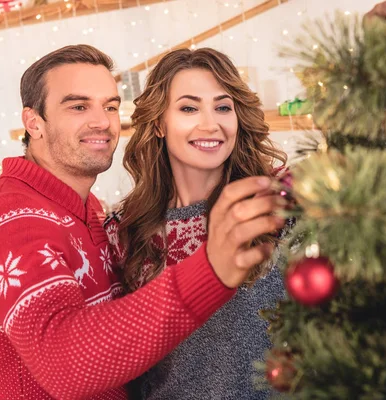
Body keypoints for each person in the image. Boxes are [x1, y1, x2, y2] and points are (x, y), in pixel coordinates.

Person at [0, 44, 285, 400]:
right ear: (33, 122)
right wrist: (210, 270)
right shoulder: (12, 221)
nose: (102, 121)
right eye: (79, 106)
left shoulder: (91, 215)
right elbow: (67, 363)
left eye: (111, 106)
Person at [113, 47, 289, 399]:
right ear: (160, 123)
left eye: (223, 107)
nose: (210, 124)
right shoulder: (125, 231)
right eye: (189, 108)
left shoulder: (278, 204)